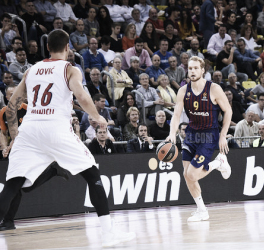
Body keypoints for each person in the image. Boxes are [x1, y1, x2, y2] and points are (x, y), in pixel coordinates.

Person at [0, 29, 135, 246]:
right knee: (92, 175)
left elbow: (10, 108)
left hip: (30, 129)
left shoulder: (32, 70)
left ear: (47, 48)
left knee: (13, 184)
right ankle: (108, 234)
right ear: (67, 48)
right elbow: (81, 96)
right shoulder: (70, 69)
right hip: (55, 127)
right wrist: (97, 117)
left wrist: (15, 136)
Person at [166, 56, 232, 222]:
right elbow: (175, 115)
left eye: (196, 68)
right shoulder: (183, 91)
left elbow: (228, 111)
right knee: (186, 175)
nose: (193, 71)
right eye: (190, 68)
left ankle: (219, 163)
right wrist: (172, 134)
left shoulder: (214, 89)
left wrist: (223, 134)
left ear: (203, 71)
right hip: (191, 134)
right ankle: (202, 211)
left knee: (192, 174)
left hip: (209, 135)